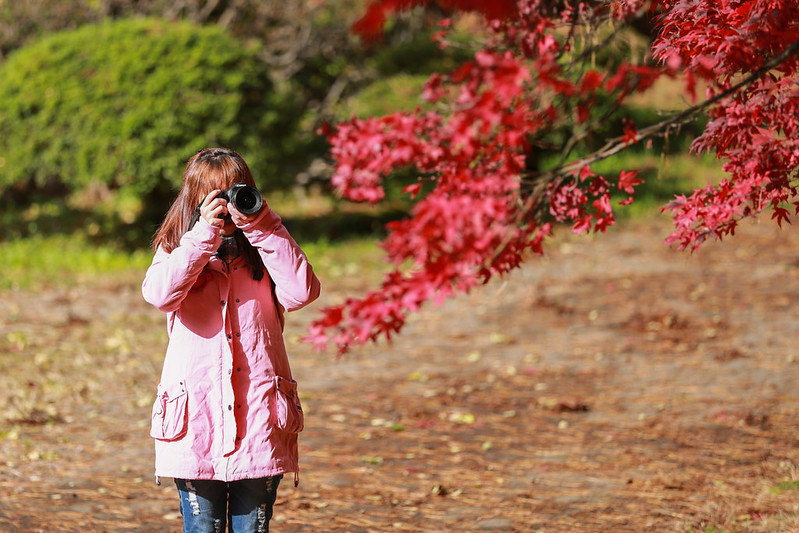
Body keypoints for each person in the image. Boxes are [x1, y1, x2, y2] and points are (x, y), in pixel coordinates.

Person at [142, 147, 321, 533]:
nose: (226, 208)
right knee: (201, 526)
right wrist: (202, 235)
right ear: (195, 201)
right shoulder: (177, 248)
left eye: (234, 194)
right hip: (196, 421)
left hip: (259, 417)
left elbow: (302, 292)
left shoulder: (268, 249)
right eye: (214, 198)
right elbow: (159, 295)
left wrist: (262, 225)